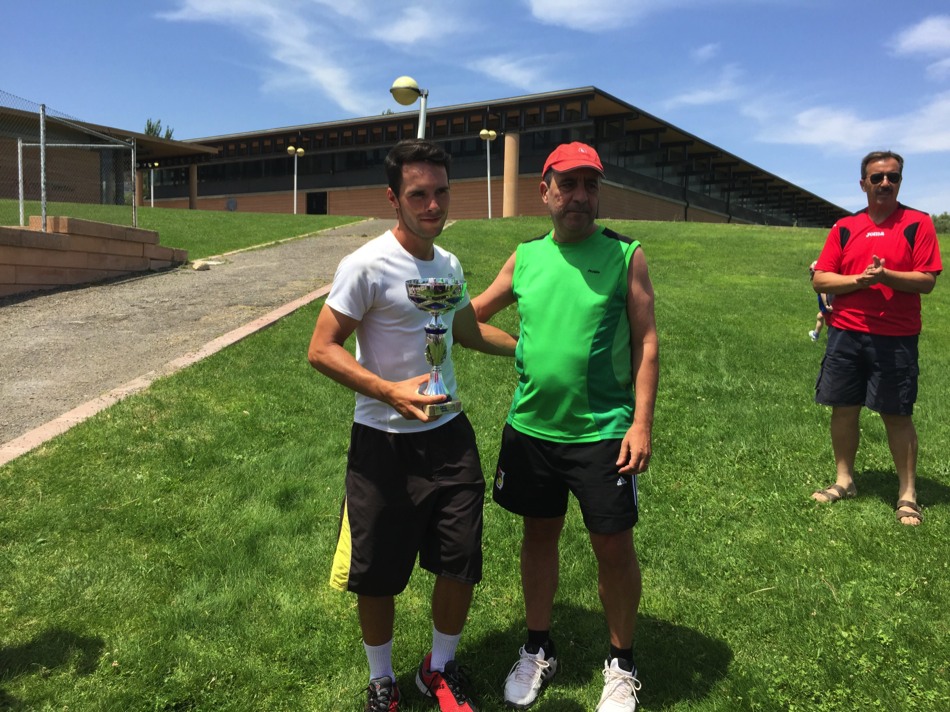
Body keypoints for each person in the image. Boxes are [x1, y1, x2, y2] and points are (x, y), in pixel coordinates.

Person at [308, 139, 516, 712]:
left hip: (450, 437)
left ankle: (438, 669)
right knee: (377, 572)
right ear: (393, 198)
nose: (433, 205)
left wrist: (527, 351)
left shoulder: (447, 264)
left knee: (459, 561)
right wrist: (388, 390)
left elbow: (467, 330)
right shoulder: (366, 265)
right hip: (384, 442)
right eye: (419, 194)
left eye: (441, 192)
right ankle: (382, 680)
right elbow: (322, 348)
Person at [472, 142, 659, 711]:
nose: (580, 196)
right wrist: (519, 348)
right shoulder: (525, 256)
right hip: (531, 429)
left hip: (603, 433)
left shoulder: (626, 255)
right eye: (568, 184)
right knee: (538, 535)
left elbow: (647, 343)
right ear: (545, 191)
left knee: (613, 546)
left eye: (590, 185)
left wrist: (641, 423)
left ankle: (621, 664)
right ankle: (537, 648)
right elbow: (470, 317)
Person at [810, 150, 942, 526]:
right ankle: (845, 481)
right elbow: (821, 279)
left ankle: (907, 495)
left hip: (895, 336)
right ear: (863, 183)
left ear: (900, 182)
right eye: (877, 177)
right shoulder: (845, 227)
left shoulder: (918, 223)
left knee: (897, 414)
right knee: (843, 408)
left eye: (893, 177)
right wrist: (860, 280)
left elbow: (927, 280)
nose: (885, 183)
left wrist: (886, 276)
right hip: (846, 333)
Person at [808, 260, 834, 341]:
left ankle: (829, 339)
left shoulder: (821, 283)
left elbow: (823, 292)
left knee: (830, 323)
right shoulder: (825, 279)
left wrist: (826, 305)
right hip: (826, 306)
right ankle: (816, 334)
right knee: (820, 317)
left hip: (826, 307)